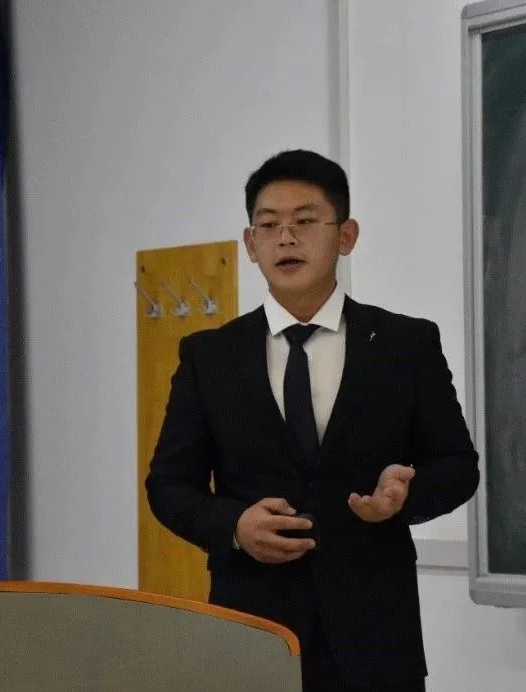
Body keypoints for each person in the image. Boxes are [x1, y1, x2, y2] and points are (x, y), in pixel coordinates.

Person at [146, 149, 479, 691]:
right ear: (250, 244)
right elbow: (168, 485)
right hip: (253, 633)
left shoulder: (406, 344)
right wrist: (234, 526)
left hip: (376, 640)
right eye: (268, 225)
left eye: (304, 221)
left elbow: (458, 465)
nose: (285, 238)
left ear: (346, 236)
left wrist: (405, 497)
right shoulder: (209, 356)